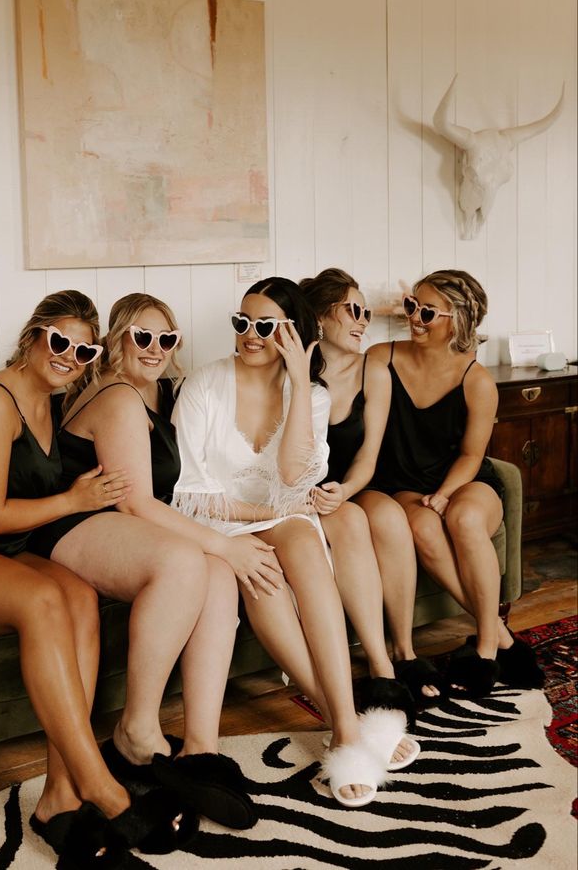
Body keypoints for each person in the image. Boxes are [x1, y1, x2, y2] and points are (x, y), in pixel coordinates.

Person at [0, 291, 191, 868]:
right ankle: (103, 788)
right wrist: (73, 498)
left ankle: (57, 797)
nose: (69, 356)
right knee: (43, 602)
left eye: (84, 349)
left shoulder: (55, 399)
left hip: (6, 547)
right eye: (59, 341)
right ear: (33, 336)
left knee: (78, 595)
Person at [171, 277, 419, 809]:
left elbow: (294, 477)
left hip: (284, 512)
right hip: (220, 522)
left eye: (266, 326)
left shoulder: (313, 394)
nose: (251, 335)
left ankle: (346, 726)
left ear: (294, 333)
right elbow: (191, 496)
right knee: (264, 572)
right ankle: (346, 723)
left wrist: (302, 385)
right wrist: (272, 514)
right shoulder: (203, 385)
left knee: (304, 547)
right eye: (242, 323)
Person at [29, 293, 275, 830]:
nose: (155, 348)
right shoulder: (116, 394)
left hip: (122, 526)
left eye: (167, 338)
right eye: (142, 336)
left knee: (216, 573)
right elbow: (136, 502)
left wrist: (231, 540)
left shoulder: (162, 396)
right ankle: (136, 731)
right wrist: (224, 541)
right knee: (194, 559)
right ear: (117, 339)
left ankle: (200, 748)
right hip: (69, 525)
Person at [367, 270, 544, 697]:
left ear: (459, 320)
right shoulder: (380, 358)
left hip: (466, 480)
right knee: (424, 526)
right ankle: (502, 636)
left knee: (464, 520)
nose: (415, 318)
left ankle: (485, 648)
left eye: (428, 311)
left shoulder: (477, 380)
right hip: (404, 482)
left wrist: (445, 494)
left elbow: (471, 455)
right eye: (412, 306)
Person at [299, 268, 443, 711]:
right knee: (355, 519)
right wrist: (327, 495)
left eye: (366, 311)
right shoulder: (294, 367)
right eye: (353, 310)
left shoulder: (373, 370)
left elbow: (369, 454)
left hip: (356, 481)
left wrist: (347, 488)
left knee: (389, 516)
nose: (363, 320)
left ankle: (405, 650)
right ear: (321, 317)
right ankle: (379, 665)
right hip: (304, 489)